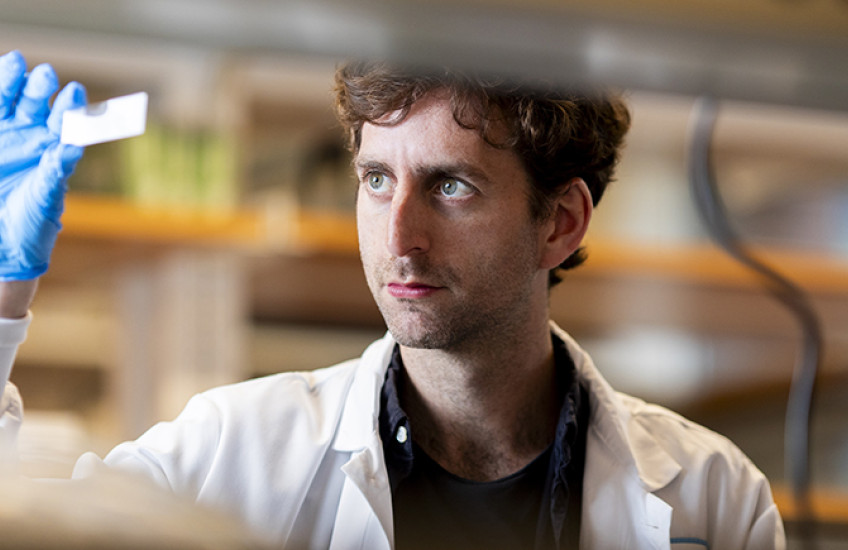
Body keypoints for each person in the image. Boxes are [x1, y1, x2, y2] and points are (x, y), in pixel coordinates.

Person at [0, 51, 785, 549]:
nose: (398, 236)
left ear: (561, 221)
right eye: (377, 180)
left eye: (450, 185)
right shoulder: (230, 452)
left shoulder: (713, 497)